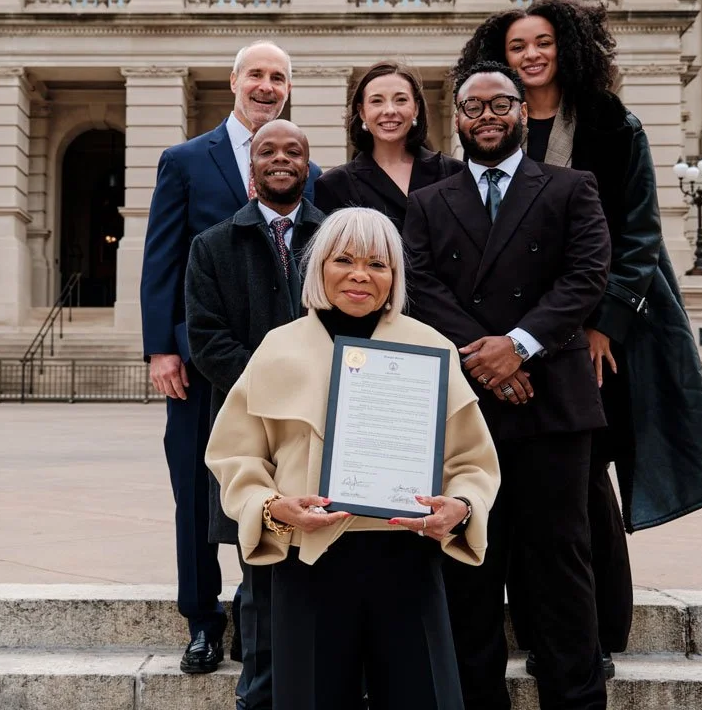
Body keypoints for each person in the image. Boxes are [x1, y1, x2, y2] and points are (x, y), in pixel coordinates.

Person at [453, 0, 702, 677]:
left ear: (568, 47)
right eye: (517, 46)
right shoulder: (494, 125)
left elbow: (639, 234)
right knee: (528, 482)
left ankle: (595, 633)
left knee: (584, 483)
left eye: (543, 42)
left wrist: (608, 321)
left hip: (599, 329)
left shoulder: (611, 123)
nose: (531, 55)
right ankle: (553, 628)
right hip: (513, 331)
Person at [206, 207, 501, 710]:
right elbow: (237, 456)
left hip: (408, 559)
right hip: (310, 561)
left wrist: (462, 508)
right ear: (319, 267)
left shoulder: (430, 347)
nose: (360, 274)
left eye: (378, 263)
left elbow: (472, 461)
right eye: (344, 259)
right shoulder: (277, 349)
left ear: (394, 277)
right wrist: (273, 509)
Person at [403, 61, 611, 710]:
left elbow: (586, 276)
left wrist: (516, 346)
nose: (486, 117)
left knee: (560, 569)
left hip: (553, 407)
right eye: (472, 108)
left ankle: (575, 701)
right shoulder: (427, 201)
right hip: (466, 410)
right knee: (469, 570)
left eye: (500, 105)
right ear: (455, 120)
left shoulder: (571, 186)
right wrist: (485, 359)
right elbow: (420, 287)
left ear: (524, 113)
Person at [140, 40, 321, 680]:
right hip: (202, 363)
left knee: (272, 489)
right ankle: (201, 621)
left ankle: (255, 616)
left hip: (285, 366)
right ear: (234, 82)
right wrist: (162, 346)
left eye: (278, 77)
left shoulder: (306, 168)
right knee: (196, 492)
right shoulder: (188, 159)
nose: (267, 85)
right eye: (257, 75)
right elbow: (162, 255)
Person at [184, 119, 325, 709]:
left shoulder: (336, 240)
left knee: (322, 557)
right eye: (267, 150)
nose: (280, 159)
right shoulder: (213, 245)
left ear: (308, 166)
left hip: (322, 429)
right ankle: (260, 694)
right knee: (260, 563)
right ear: (252, 168)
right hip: (251, 429)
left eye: (294, 151)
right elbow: (208, 341)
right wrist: (277, 389)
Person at [314, 61, 460, 229]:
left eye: (401, 100)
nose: (389, 110)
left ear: (416, 109)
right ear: (362, 112)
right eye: (377, 101)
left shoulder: (453, 173)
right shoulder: (335, 185)